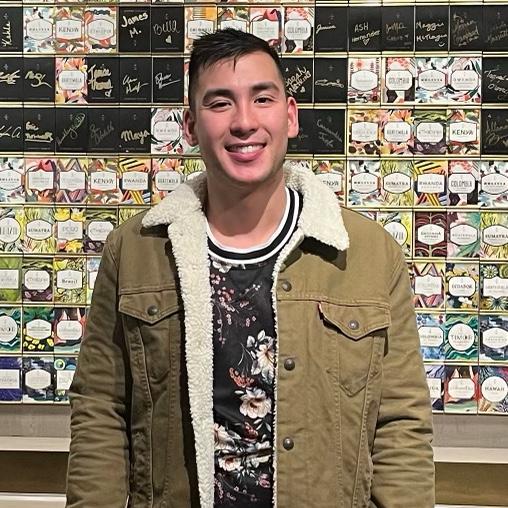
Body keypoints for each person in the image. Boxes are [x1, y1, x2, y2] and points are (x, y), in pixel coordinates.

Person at [66, 29, 434, 508]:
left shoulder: (368, 253)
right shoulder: (135, 251)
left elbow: (401, 421)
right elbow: (100, 409)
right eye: (220, 103)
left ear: (290, 115)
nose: (244, 122)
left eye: (262, 99)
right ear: (190, 126)